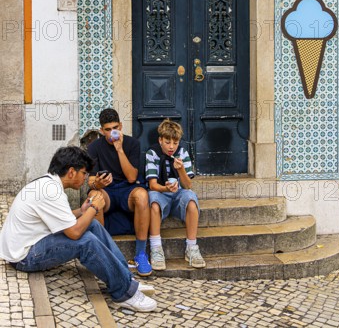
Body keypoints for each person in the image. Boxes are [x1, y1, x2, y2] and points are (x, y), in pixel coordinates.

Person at [0, 147, 157, 313]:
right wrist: (94, 208)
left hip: (32, 242)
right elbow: (74, 233)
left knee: (93, 225)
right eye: (84, 173)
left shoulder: (48, 183)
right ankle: (123, 293)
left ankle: (126, 278)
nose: (86, 178)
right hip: (24, 256)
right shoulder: (51, 192)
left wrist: (82, 211)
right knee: (86, 242)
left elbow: (62, 219)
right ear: (71, 172)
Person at [87, 108, 152, 276]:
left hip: (127, 190)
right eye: (107, 130)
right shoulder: (94, 147)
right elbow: (90, 181)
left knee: (143, 195)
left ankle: (141, 254)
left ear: (121, 127)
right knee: (93, 197)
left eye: (114, 128)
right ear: (101, 130)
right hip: (106, 191)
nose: (111, 133)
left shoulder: (132, 144)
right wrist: (98, 183)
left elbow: (131, 178)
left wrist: (119, 150)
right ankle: (103, 255)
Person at [145, 119, 206, 271]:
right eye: (167, 142)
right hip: (161, 192)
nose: (171, 147)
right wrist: (166, 189)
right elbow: (152, 185)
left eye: (175, 142)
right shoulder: (152, 153)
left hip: (178, 194)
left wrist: (180, 170)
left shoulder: (182, 153)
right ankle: (156, 248)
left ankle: (191, 247)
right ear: (160, 140)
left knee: (191, 198)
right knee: (153, 201)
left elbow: (188, 185)